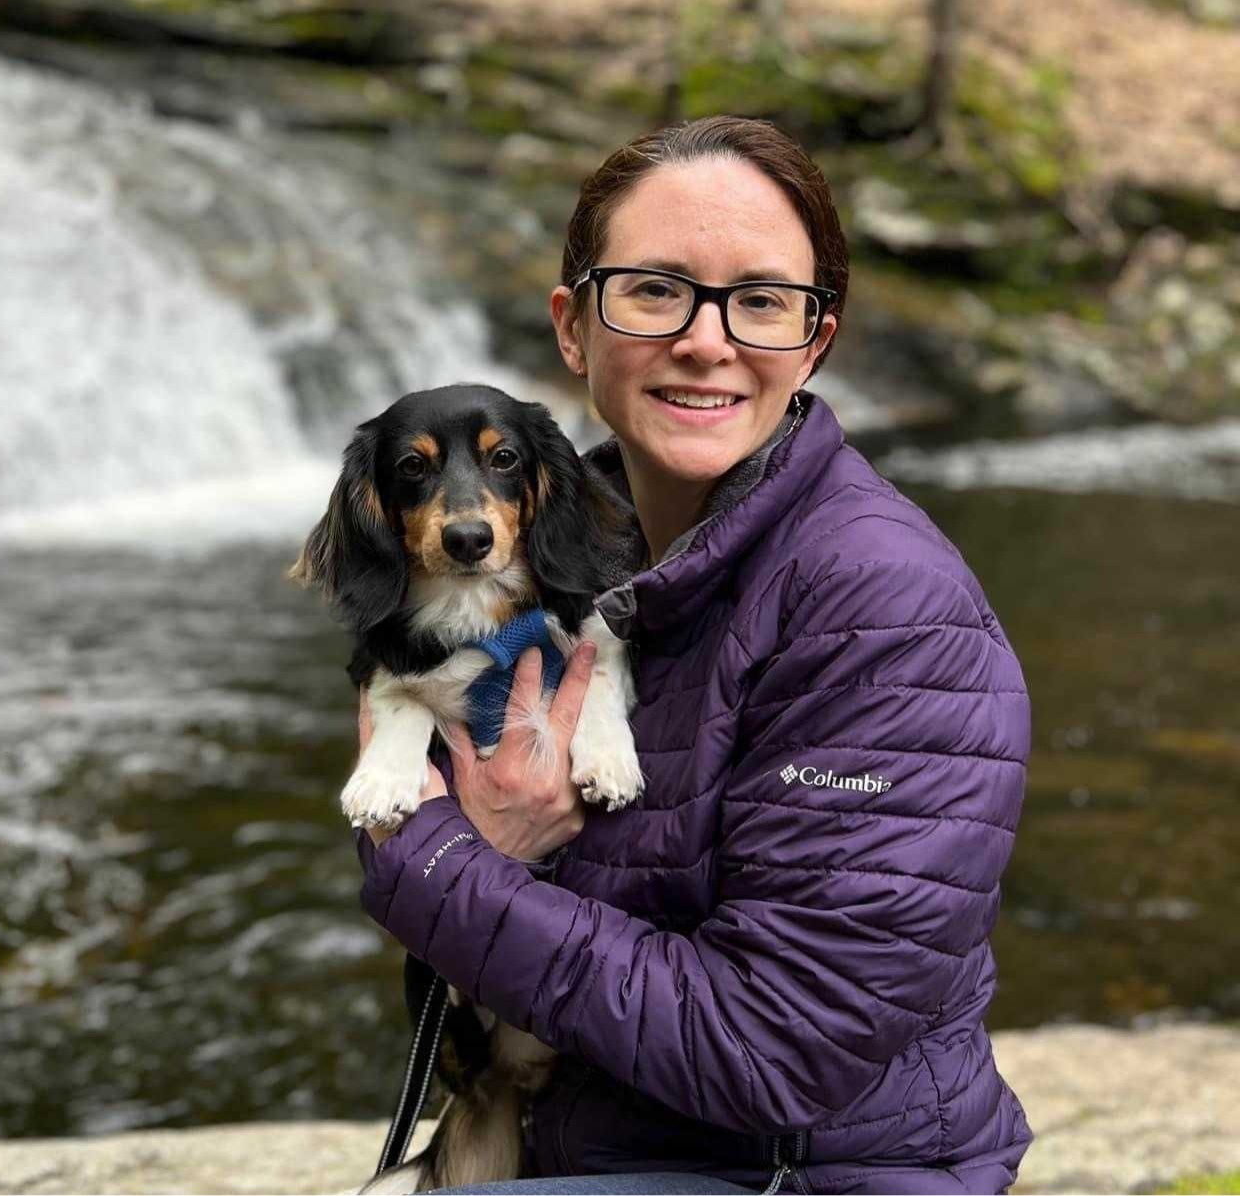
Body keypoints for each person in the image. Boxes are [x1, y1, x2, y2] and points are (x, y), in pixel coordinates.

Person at [353, 115, 1033, 1194]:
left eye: (761, 301)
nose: (707, 341)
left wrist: (437, 860)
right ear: (573, 330)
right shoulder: (533, 561)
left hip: (803, 1177)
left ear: (815, 339)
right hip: (601, 1144)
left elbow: (779, 1049)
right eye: (656, 289)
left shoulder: (886, 609)